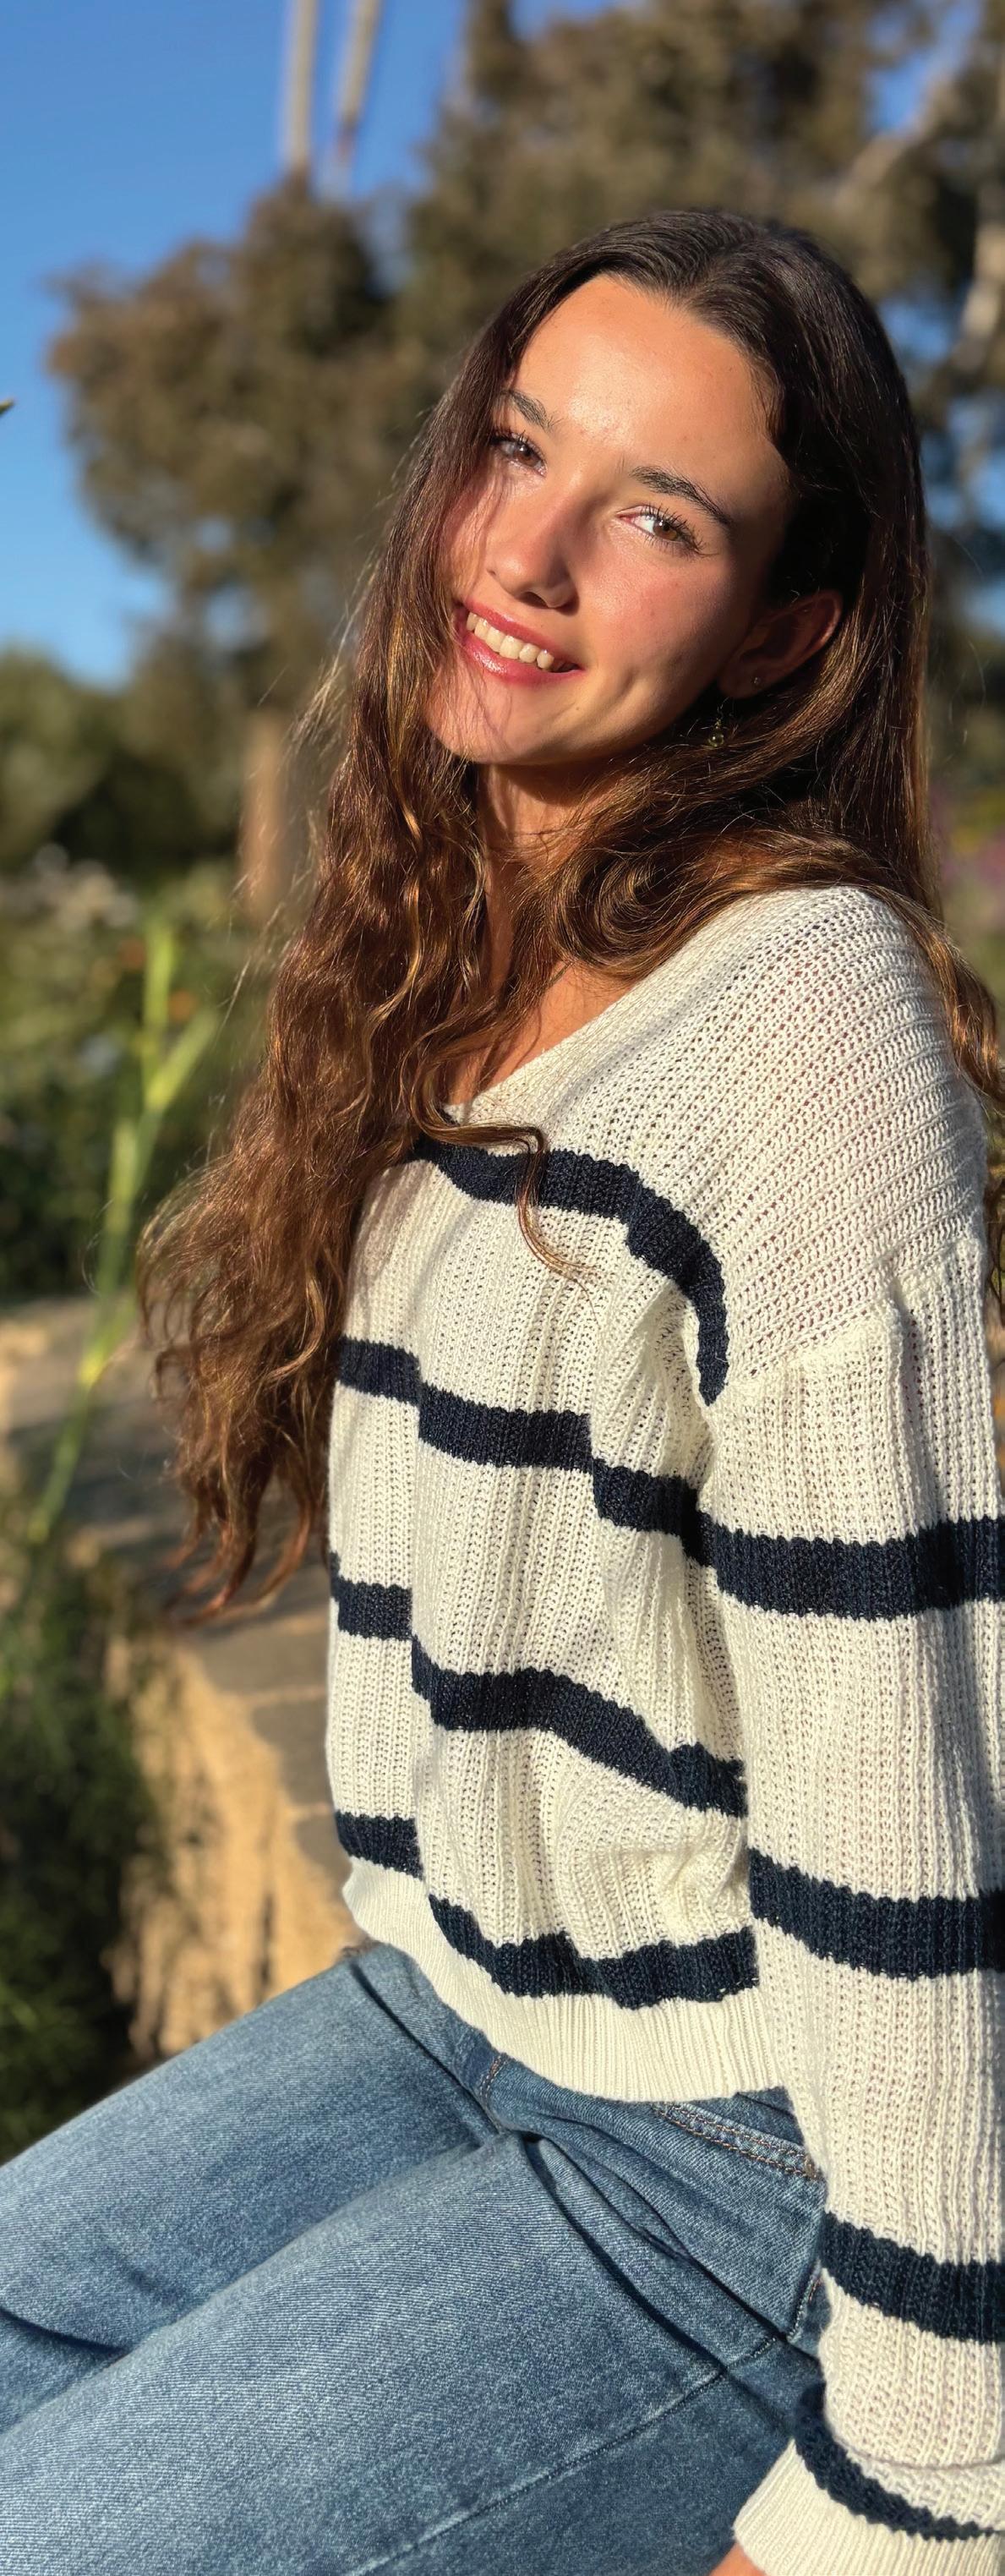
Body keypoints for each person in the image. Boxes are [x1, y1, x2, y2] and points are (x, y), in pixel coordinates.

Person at [0, 208, 1001, 2576]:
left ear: (787, 627)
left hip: (727, 2142)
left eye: (654, 517)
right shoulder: (466, 950)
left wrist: (925, 2476)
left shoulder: (799, 1026)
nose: (524, 557)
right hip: (444, 2007)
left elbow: (909, 1767)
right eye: (519, 451)